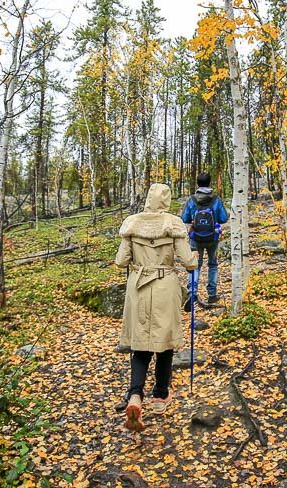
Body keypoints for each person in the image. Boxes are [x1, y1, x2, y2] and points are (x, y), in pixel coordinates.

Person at [115, 183, 197, 431]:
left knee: (140, 344)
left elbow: (121, 262)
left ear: (148, 199)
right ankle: (160, 397)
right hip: (165, 286)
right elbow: (189, 263)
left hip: (138, 285)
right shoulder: (173, 224)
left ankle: (135, 395)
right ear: (167, 201)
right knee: (165, 340)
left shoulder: (132, 223)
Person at [181, 172, 229, 305]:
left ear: (198, 183)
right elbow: (224, 218)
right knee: (212, 265)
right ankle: (212, 294)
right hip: (212, 237)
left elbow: (184, 218)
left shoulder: (192, 200)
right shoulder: (216, 199)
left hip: (195, 237)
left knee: (195, 264)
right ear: (209, 183)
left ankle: (192, 292)